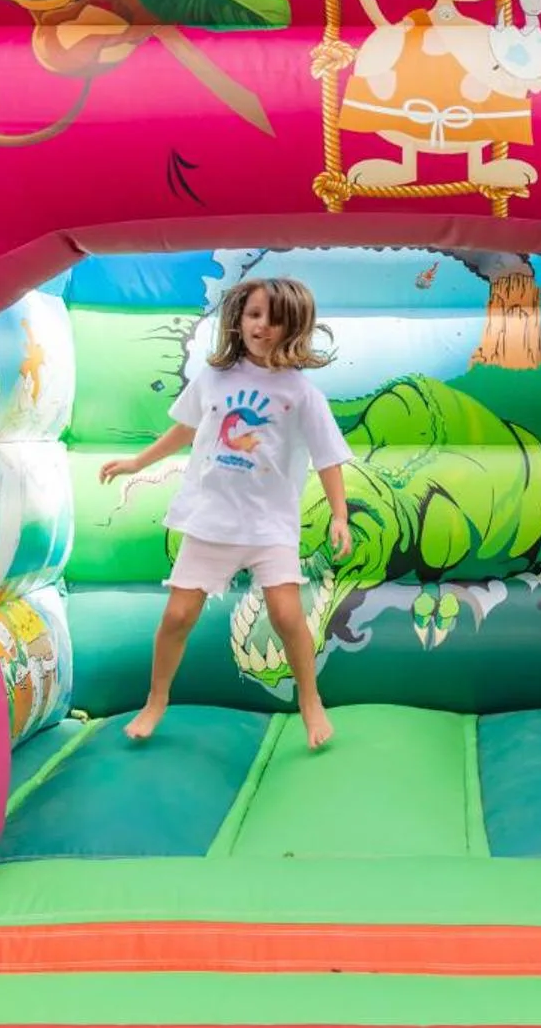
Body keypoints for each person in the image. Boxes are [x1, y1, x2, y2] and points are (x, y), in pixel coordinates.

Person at [100, 277, 354, 748]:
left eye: (275, 318)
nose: (263, 325)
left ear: (293, 328)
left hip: (268, 525)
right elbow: (185, 428)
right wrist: (138, 462)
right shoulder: (215, 378)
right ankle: (156, 699)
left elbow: (328, 456)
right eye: (254, 314)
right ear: (239, 319)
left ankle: (310, 700)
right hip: (211, 520)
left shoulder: (300, 393)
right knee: (177, 616)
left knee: (286, 614)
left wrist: (339, 515)